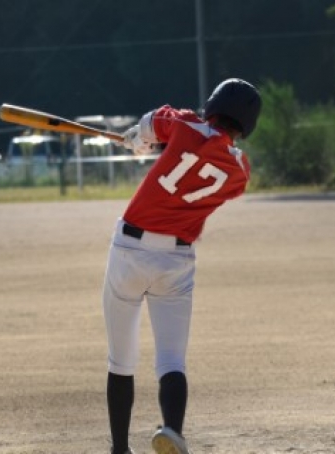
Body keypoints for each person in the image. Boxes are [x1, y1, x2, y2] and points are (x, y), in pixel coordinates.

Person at [101, 78, 262, 454]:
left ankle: (120, 449)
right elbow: (200, 158)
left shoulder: (187, 124)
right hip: (176, 260)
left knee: (121, 359)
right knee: (171, 359)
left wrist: (138, 140)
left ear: (213, 105)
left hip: (130, 249)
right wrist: (155, 144)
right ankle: (172, 428)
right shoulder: (240, 172)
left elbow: (152, 122)